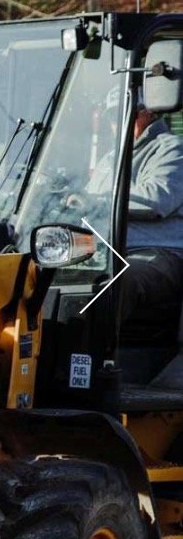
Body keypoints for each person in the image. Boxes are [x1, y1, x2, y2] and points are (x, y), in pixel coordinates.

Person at [86, 100, 183, 386]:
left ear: (148, 112)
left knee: (116, 282)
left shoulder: (172, 149)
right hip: (108, 250)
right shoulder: (110, 158)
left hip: (159, 254)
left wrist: (98, 201)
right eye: (111, 117)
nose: (114, 123)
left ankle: (96, 370)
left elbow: (158, 198)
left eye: (122, 115)